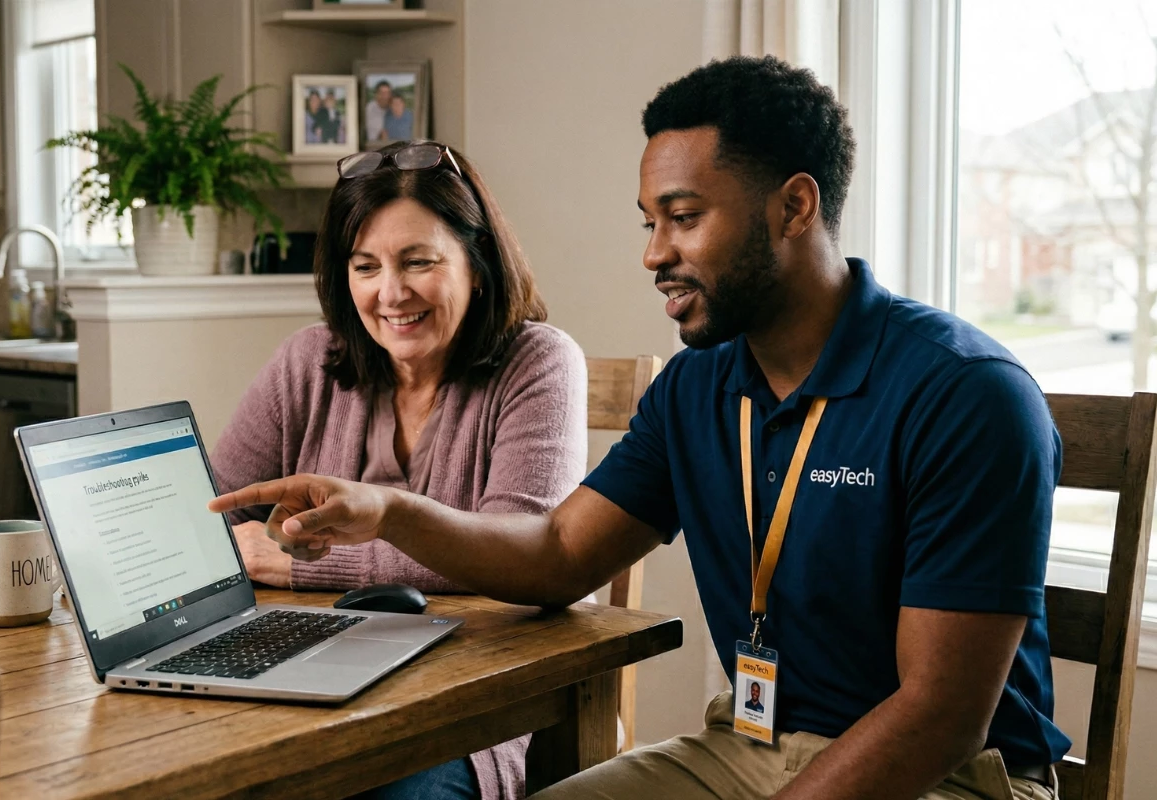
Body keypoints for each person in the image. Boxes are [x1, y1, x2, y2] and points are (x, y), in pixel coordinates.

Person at [210, 56, 1069, 800]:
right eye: (648, 221)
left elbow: (941, 717)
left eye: (684, 217)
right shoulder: (699, 387)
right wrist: (390, 512)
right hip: (745, 746)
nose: (653, 252)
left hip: (947, 776)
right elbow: (555, 557)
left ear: (794, 207)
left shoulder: (965, 395)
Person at [210, 139, 587, 800]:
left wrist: (303, 564)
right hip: (301, 695)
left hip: (462, 717)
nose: (391, 293)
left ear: (477, 263)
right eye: (365, 266)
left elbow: (523, 556)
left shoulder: (540, 364)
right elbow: (211, 515)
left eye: (419, 262)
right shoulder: (307, 362)